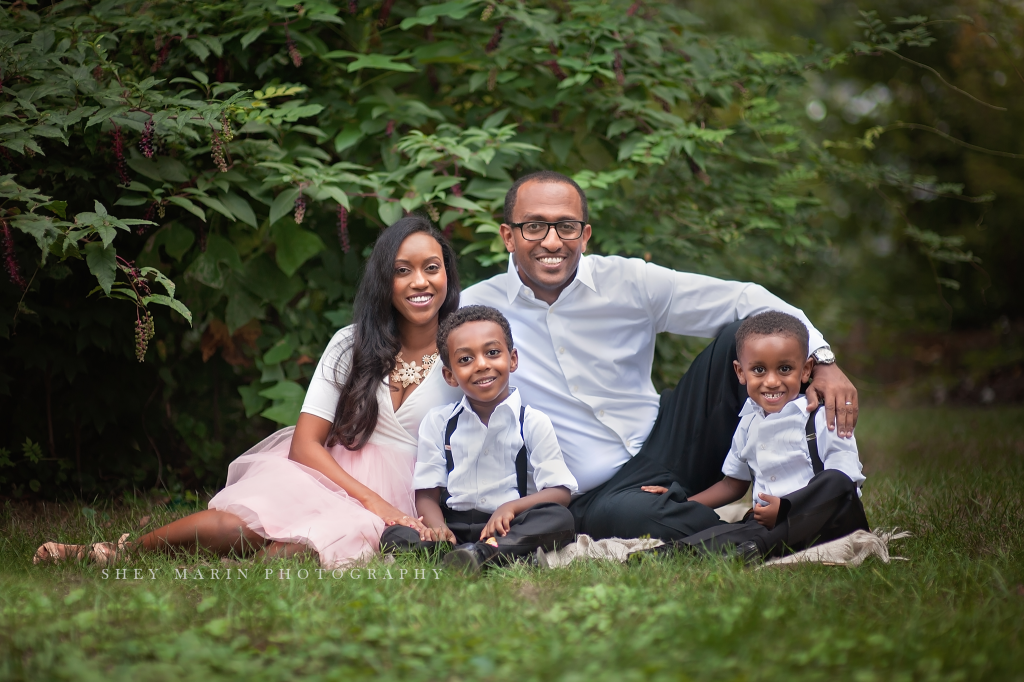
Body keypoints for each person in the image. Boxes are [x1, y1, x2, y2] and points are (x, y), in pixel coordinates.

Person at [34, 216, 463, 568]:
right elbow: (305, 444)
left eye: (431, 267)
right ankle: (115, 551)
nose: (419, 282)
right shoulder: (352, 343)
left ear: (448, 273)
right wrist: (369, 499)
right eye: (402, 270)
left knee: (299, 551)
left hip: (410, 494)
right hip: (330, 476)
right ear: (383, 280)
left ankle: (222, 570)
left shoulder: (465, 351)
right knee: (233, 527)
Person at [460, 170, 861, 542]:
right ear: (508, 237)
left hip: (670, 440)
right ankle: (767, 532)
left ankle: (810, 486)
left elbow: (745, 299)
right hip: (593, 492)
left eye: (566, 227)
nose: (552, 242)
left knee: (748, 336)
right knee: (635, 518)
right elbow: (434, 393)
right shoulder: (473, 312)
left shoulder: (628, 281)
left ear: (584, 236)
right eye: (534, 226)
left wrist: (823, 360)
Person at [645, 311, 868, 561]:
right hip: (769, 527)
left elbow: (846, 483)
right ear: (741, 373)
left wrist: (786, 509)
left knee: (836, 480)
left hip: (829, 520)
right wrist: (682, 502)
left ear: (806, 370)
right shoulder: (748, 422)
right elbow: (732, 485)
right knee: (730, 531)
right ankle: (667, 555)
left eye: (785, 369)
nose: (772, 381)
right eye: (759, 370)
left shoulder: (820, 416)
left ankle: (759, 546)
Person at [380, 305, 578, 572]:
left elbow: (560, 492)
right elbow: (427, 492)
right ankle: (463, 554)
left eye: (492, 353)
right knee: (395, 534)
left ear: (513, 359)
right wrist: (438, 529)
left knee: (559, 518)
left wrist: (511, 508)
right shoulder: (439, 422)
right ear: (449, 376)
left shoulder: (531, 422)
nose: (482, 365)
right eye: (465, 360)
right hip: (454, 526)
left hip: (507, 527)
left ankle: (481, 553)